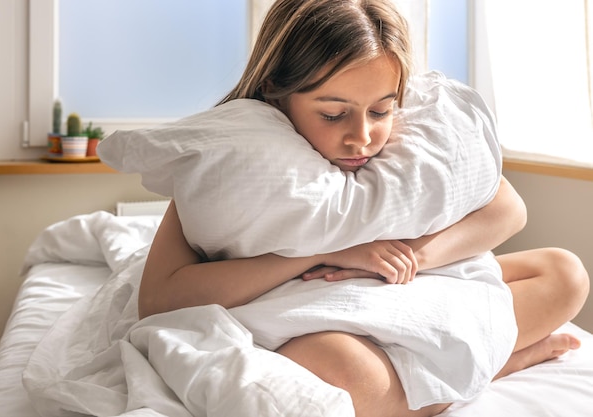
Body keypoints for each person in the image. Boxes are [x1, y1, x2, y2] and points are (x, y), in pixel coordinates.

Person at [138, 1, 590, 416]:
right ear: (277, 90)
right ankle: (497, 365)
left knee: (564, 272)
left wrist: (409, 256)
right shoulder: (241, 164)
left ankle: (464, 367)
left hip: (411, 291)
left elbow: (507, 208)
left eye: (381, 111)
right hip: (319, 315)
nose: (363, 137)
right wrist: (321, 252)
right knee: (341, 368)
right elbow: (159, 301)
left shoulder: (411, 146)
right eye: (333, 114)